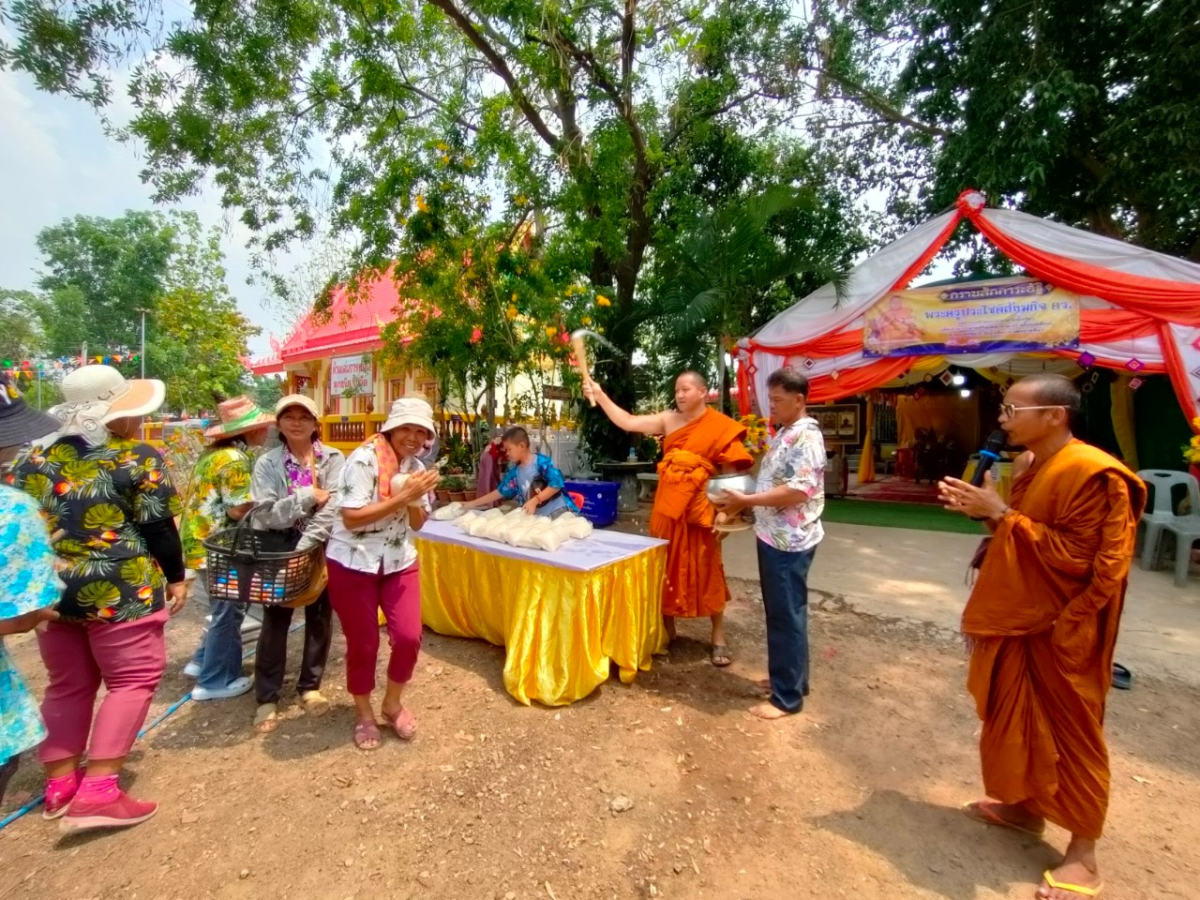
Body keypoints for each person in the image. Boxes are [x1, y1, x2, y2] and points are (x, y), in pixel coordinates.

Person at [937, 374, 1145, 900]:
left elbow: (1086, 563)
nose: (1002, 418)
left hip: (1066, 623)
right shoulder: (1032, 465)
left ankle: (1084, 855)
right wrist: (987, 514)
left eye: (1013, 408)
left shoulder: (1097, 475)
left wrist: (1002, 514)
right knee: (1014, 716)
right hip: (1021, 616)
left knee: (1074, 733)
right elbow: (1023, 536)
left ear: (1056, 415)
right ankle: (1024, 808)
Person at [10, 365, 187, 834]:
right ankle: (100, 792)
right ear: (118, 414)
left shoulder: (30, 461)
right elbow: (157, 529)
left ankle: (60, 785)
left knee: (66, 684)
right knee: (132, 679)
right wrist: (177, 578)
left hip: (52, 591)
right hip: (121, 587)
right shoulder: (137, 458)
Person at [585, 372, 753, 665]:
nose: (680, 395)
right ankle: (667, 629)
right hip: (667, 508)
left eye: (686, 389)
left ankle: (717, 635)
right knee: (665, 568)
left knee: (708, 569)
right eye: (677, 390)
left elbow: (731, 477)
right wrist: (600, 395)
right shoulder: (668, 420)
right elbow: (627, 421)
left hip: (701, 510)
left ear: (703, 392)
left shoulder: (720, 427)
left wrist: (726, 513)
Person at [325, 398, 440, 750]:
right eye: (406, 427)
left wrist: (416, 500)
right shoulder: (363, 459)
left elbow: (418, 524)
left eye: (420, 431)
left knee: (408, 636)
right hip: (353, 561)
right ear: (391, 428)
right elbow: (351, 517)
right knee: (364, 643)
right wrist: (402, 496)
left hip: (398, 558)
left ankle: (392, 703)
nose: (413, 436)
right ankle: (363, 713)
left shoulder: (416, 466)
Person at [715, 367, 825, 720]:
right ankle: (791, 680)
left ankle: (786, 698)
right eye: (770, 399)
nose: (771, 406)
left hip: (788, 541)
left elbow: (798, 490)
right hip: (778, 535)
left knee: (784, 616)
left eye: (778, 400)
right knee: (789, 613)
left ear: (799, 400)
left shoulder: (806, 437)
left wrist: (746, 503)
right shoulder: (788, 432)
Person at [248, 394, 344, 734]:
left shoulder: (333, 459)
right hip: (277, 549)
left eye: (305, 416)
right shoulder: (267, 464)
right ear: (279, 423)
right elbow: (265, 514)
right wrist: (306, 497)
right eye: (289, 415)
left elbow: (333, 508)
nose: (297, 421)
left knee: (319, 617)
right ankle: (267, 697)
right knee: (275, 619)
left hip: (317, 546)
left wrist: (304, 548)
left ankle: (310, 686)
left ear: (316, 423)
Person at [179, 396, 275, 701]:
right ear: (248, 431)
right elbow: (237, 510)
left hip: (201, 541)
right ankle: (215, 679)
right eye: (261, 426)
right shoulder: (235, 460)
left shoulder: (214, 455)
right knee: (229, 611)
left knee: (223, 607)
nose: (265, 431)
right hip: (221, 546)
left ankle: (201, 661)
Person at [0, 373, 63, 807]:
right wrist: (42, 608)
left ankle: (62, 777)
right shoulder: (13, 508)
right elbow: (22, 615)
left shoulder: (36, 471)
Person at [463, 426, 579, 517]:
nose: (507, 453)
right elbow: (499, 492)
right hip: (540, 519)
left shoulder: (541, 463)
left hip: (559, 513)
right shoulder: (515, 473)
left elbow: (556, 484)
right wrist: (471, 504)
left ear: (522, 446)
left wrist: (535, 500)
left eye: (509, 449)